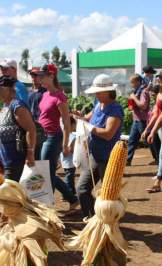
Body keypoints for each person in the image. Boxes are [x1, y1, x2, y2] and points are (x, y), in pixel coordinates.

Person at [0, 76, 36, 234]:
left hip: (16, 155)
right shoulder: (6, 105)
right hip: (5, 155)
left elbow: (31, 129)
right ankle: (12, 219)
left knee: (7, 191)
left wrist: (30, 153)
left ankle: (3, 221)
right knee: (8, 189)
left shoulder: (17, 106)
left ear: (10, 89)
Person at [73, 74, 124, 218]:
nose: (96, 94)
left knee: (108, 195)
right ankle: (91, 217)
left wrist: (89, 127)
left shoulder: (115, 109)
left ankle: (109, 219)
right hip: (95, 155)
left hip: (109, 158)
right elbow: (86, 119)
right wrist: (78, 118)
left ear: (108, 92)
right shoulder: (98, 105)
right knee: (82, 189)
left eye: (98, 92)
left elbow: (108, 133)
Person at [36, 64, 79, 210]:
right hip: (42, 137)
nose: (39, 78)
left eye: (43, 76)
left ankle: (48, 208)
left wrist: (65, 144)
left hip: (53, 138)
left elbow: (67, 124)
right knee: (47, 173)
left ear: (52, 76)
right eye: (39, 76)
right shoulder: (45, 94)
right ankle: (72, 199)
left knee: (46, 174)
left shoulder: (60, 96)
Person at [142, 70, 162, 189]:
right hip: (161, 127)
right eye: (159, 78)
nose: (160, 80)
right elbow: (156, 114)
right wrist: (148, 129)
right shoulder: (160, 95)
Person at [126, 74, 150, 165]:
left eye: (132, 82)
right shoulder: (136, 91)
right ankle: (128, 160)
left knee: (148, 140)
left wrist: (134, 98)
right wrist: (131, 102)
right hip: (136, 119)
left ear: (138, 82)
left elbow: (143, 106)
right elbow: (132, 106)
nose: (131, 84)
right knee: (132, 140)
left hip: (142, 120)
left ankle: (158, 158)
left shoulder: (143, 92)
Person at [28, 67, 47, 160]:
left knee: (39, 154)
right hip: (29, 125)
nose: (34, 77)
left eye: (36, 75)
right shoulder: (28, 92)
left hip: (41, 127)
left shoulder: (45, 92)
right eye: (32, 75)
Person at [60, 117, 77, 196]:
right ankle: (67, 194)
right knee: (69, 178)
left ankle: (72, 192)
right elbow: (71, 149)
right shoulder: (73, 136)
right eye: (74, 124)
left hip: (64, 161)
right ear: (72, 125)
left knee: (69, 178)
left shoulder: (63, 135)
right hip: (70, 162)